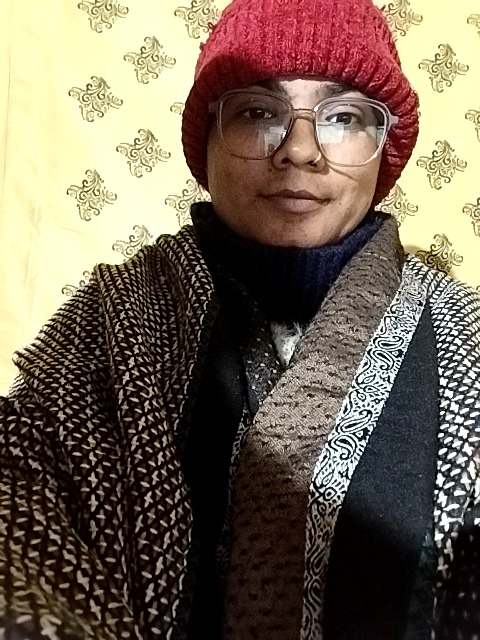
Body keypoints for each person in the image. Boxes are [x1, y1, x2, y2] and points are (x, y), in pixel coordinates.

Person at [1, 0, 479, 638]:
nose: (300, 152)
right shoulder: (112, 324)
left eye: (342, 118)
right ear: (207, 142)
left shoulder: (464, 337)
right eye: (258, 113)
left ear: (383, 152)